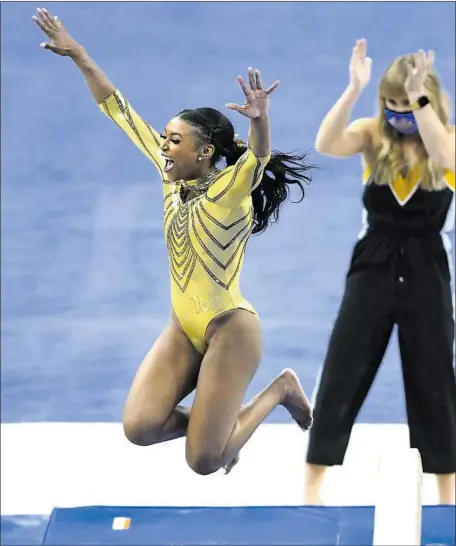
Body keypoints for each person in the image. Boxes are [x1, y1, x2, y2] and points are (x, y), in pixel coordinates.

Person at [33, 7, 316, 476]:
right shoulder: (170, 177)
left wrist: (260, 120)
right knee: (140, 426)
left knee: (203, 461)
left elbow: (258, 157)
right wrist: (79, 54)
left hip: (230, 331)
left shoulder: (227, 194)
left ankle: (280, 390)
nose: (164, 146)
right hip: (183, 326)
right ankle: (224, 427)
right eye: (165, 138)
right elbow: (118, 109)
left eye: (175, 140)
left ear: (204, 153)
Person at [304, 39, 455, 505]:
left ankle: (447, 493)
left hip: (428, 266)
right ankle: (312, 487)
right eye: (390, 104)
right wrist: (353, 89)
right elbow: (326, 144)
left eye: (405, 103)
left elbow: (445, 160)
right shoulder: (373, 136)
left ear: (427, 100)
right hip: (372, 264)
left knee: (434, 379)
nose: (397, 112)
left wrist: (420, 100)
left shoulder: (445, 139)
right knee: (343, 369)